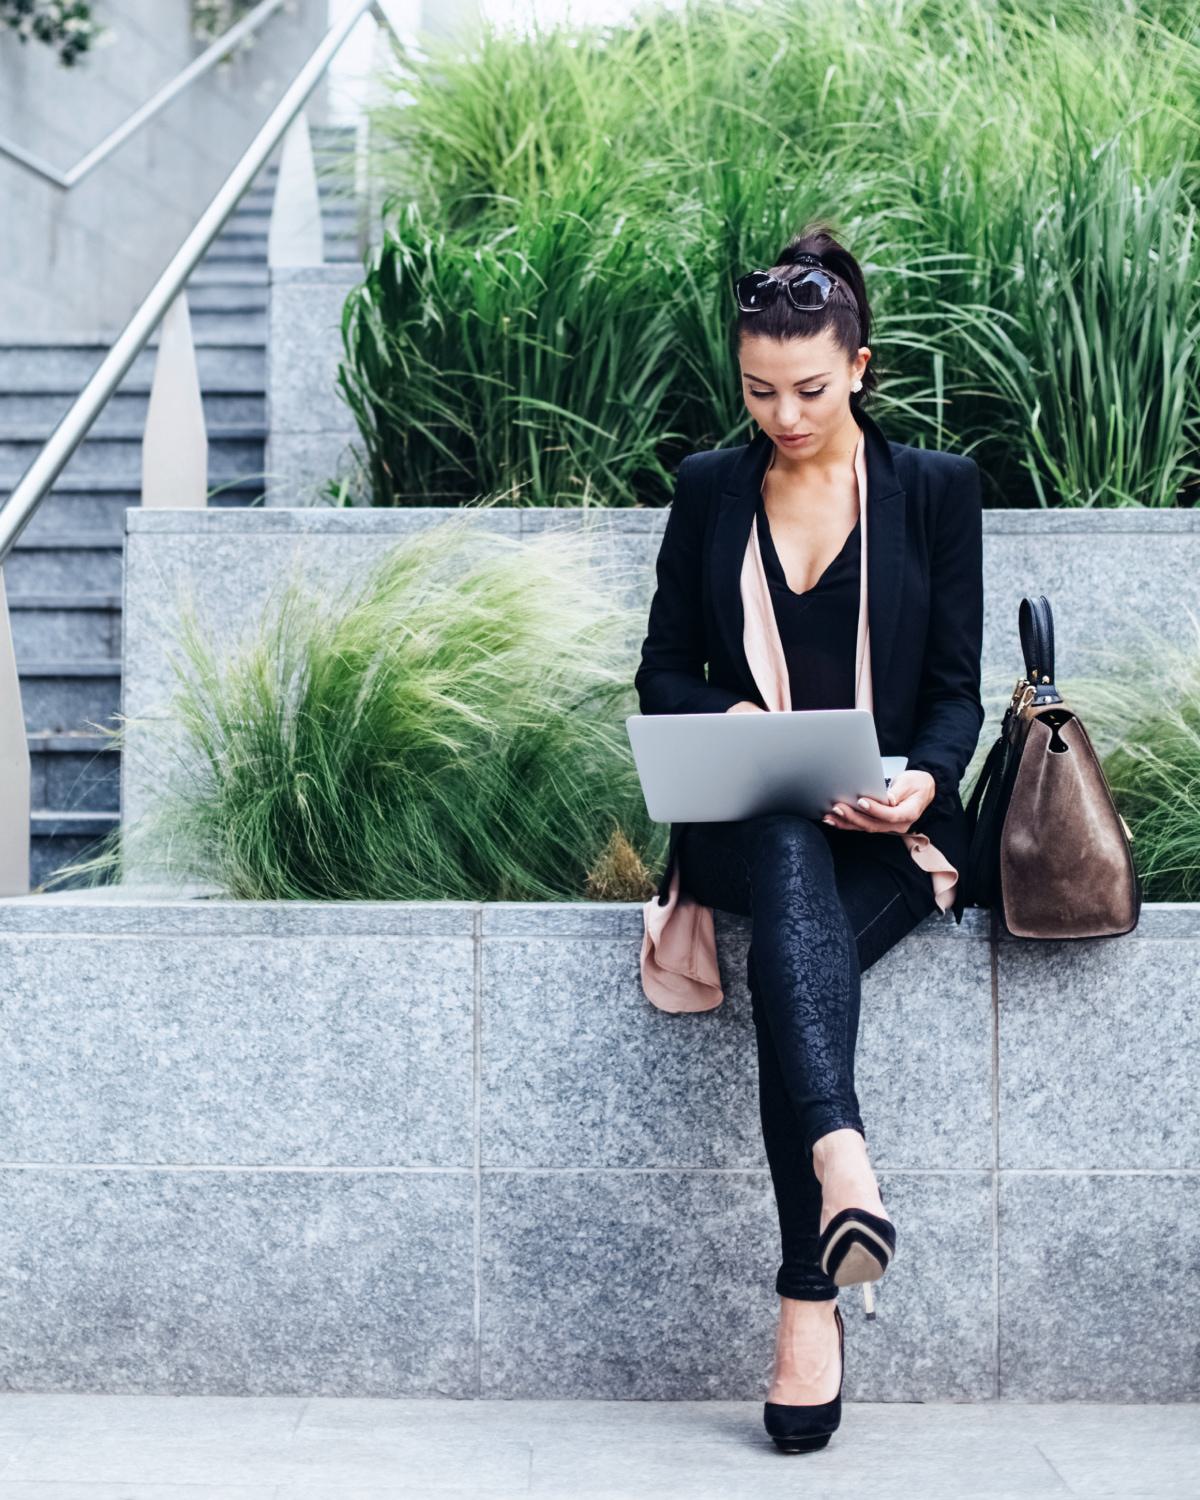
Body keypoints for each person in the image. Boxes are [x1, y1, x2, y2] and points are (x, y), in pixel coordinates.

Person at [633, 225, 985, 1453]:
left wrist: (926, 782)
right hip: (742, 823)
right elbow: (660, 673)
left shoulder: (936, 492)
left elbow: (954, 692)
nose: (784, 414)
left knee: (804, 960)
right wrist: (730, 714)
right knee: (783, 850)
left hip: (885, 837)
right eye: (758, 390)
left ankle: (807, 1290)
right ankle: (841, 1174)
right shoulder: (709, 490)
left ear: (861, 367)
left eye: (811, 389)